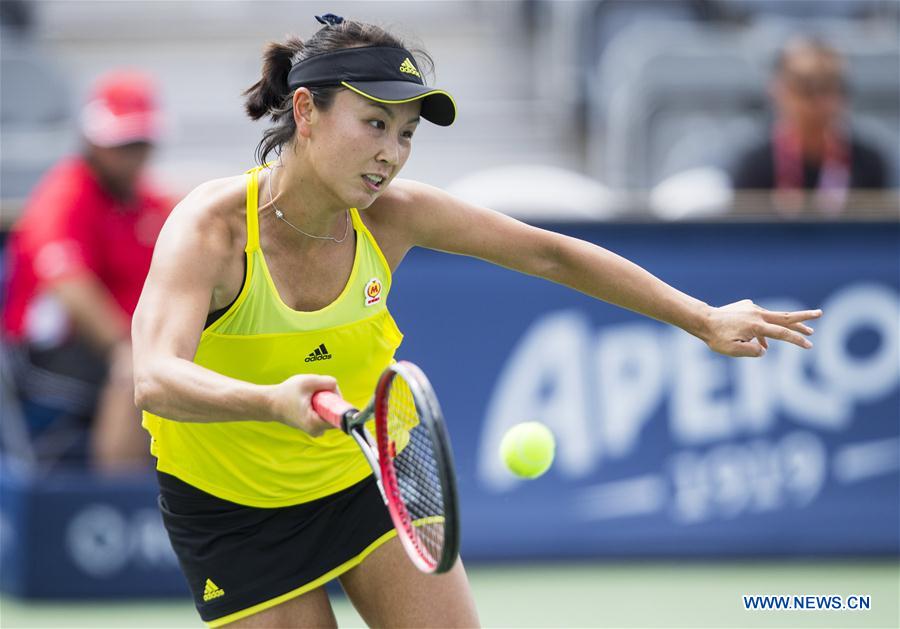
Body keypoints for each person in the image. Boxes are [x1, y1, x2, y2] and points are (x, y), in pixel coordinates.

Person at [131, 15, 821, 628]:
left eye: (406, 134)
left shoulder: (393, 215)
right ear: (306, 110)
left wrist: (703, 318)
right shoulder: (212, 229)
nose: (392, 154)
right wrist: (271, 402)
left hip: (369, 474)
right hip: (232, 509)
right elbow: (155, 378)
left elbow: (550, 253)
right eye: (374, 124)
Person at [2, 70, 170, 472]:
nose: (132, 154)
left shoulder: (152, 204)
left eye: (140, 143)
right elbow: (70, 287)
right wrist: (125, 350)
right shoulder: (64, 195)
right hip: (51, 355)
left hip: (129, 343)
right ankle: (118, 498)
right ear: (93, 140)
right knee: (136, 373)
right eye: (122, 143)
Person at [730, 36, 888, 215]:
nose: (817, 100)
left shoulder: (868, 163)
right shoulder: (755, 165)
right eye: (805, 87)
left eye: (828, 87)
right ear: (778, 90)